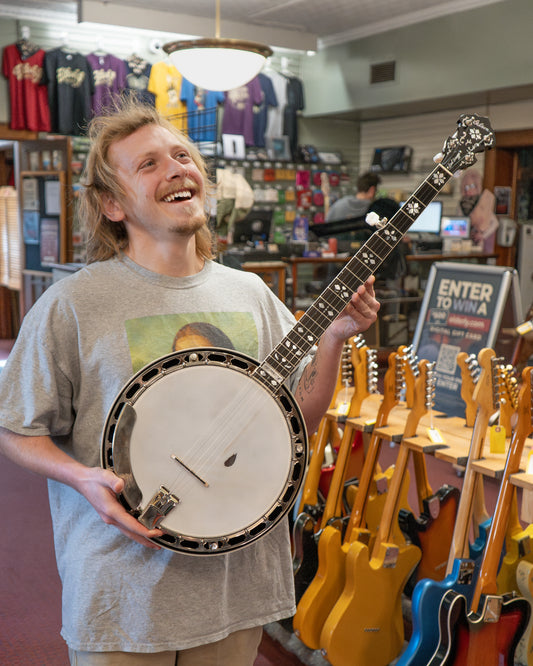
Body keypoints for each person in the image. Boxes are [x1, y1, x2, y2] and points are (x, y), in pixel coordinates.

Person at [0, 100, 379, 666]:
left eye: (182, 156)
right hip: (121, 592)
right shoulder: (74, 304)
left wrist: (334, 337)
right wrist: (80, 478)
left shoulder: (249, 293)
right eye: (148, 164)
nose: (177, 169)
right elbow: (15, 429)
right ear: (110, 203)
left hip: (236, 584)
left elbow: (299, 416)